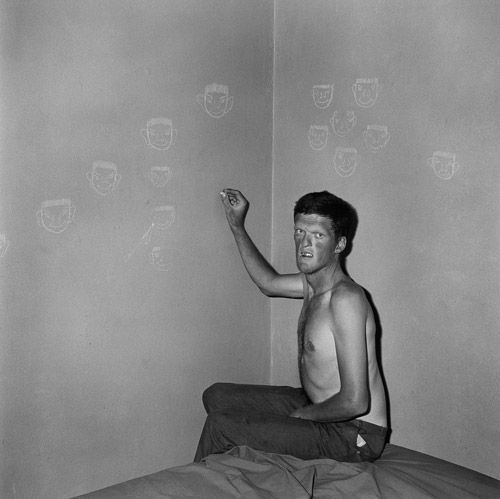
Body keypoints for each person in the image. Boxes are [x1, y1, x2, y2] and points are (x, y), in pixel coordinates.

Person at [194, 188, 388, 463]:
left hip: (354, 433)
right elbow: (268, 283)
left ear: (339, 245)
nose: (304, 244)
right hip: (317, 404)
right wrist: (237, 225)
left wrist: (301, 416)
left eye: (318, 235)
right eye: (299, 232)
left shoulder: (346, 300)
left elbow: (355, 401)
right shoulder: (311, 285)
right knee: (216, 396)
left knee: (221, 426)